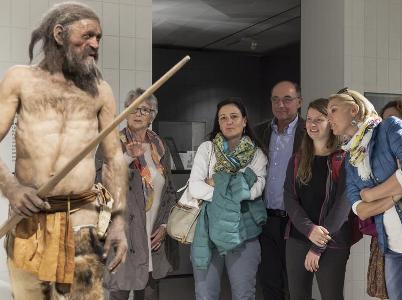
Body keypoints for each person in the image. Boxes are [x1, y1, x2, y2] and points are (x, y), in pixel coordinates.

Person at [0, 2, 128, 299]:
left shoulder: (101, 90)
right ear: (59, 34)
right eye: (88, 36)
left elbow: (114, 159)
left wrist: (119, 223)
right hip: (29, 220)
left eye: (99, 38)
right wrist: (13, 189)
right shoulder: (20, 79)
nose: (95, 44)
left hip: (83, 219)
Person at [327, 88, 402, 300]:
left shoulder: (391, 128)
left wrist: (371, 195)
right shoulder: (352, 156)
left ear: (354, 110)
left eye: (333, 110)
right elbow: (360, 208)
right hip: (391, 245)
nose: (328, 118)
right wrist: (393, 192)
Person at [97, 89, 179, 300]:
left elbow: (169, 191)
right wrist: (125, 158)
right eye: (133, 108)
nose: (138, 113)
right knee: (119, 293)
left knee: (150, 295)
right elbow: (100, 185)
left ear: (153, 115)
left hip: (153, 237)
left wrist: (164, 226)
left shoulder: (160, 147)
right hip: (125, 235)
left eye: (144, 109)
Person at [189, 98, 268, 300]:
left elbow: (256, 189)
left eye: (234, 117)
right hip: (207, 231)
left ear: (244, 121)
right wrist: (235, 186)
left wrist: (218, 182)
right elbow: (196, 187)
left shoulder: (257, 154)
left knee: (244, 295)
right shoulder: (207, 149)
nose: (228, 121)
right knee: (205, 294)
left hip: (244, 231)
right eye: (223, 118)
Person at [284, 98, 351, 300]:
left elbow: (342, 206)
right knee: (298, 296)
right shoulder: (298, 158)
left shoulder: (345, 159)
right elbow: (289, 198)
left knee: (332, 296)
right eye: (309, 119)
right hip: (298, 238)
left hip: (333, 241)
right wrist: (309, 229)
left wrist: (318, 244)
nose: (312, 124)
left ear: (330, 123)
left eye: (319, 120)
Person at [254, 81, 305, 300]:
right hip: (265, 220)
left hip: (295, 221)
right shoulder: (258, 132)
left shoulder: (309, 132)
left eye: (287, 99)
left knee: (296, 285)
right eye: (275, 99)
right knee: (269, 283)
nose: (280, 104)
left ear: (299, 102)